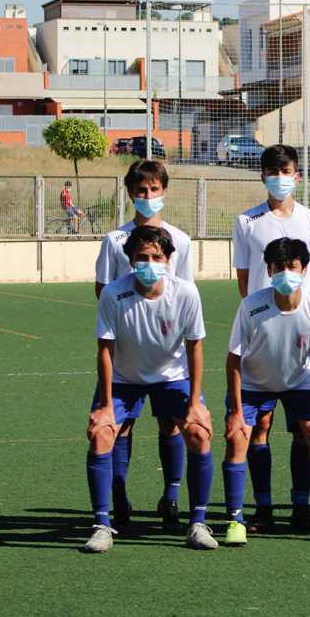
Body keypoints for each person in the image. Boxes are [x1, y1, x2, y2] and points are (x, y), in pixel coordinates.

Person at [84, 225, 216, 552]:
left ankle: (197, 523)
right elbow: (105, 349)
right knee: (102, 432)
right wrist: (104, 404)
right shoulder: (114, 293)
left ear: (168, 259)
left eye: (156, 256)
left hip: (171, 378)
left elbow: (195, 347)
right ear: (130, 260)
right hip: (122, 380)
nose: (149, 262)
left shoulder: (185, 292)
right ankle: (103, 524)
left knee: (199, 432)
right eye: (142, 257)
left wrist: (196, 401)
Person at [232, 144, 310, 534]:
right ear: (262, 176)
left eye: (286, 170)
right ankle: (263, 507)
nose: (280, 177)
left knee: (304, 429)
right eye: (272, 171)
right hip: (261, 341)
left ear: (297, 175)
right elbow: (244, 282)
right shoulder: (247, 222)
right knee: (260, 426)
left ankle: (301, 505)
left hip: (306, 343)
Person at [222, 238, 310, 546]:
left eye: (292, 267)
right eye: (279, 267)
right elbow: (234, 359)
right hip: (254, 384)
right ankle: (244, 517)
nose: (286, 273)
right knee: (242, 436)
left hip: (298, 383)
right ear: (269, 270)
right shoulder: (252, 305)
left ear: (304, 270)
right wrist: (237, 413)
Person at [94, 159, 195, 534]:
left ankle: (170, 497)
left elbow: (185, 297)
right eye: (141, 190)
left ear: (164, 192)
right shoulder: (115, 240)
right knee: (121, 427)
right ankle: (118, 496)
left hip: (169, 356)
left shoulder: (180, 240)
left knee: (171, 426)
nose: (147, 196)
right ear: (130, 193)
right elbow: (103, 290)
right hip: (127, 355)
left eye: (154, 189)